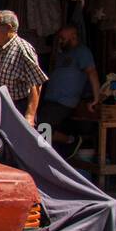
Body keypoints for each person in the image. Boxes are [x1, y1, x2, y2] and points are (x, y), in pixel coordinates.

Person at [39, 25, 102, 157]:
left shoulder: (82, 52)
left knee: (42, 129)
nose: (60, 41)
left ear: (73, 36)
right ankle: (69, 141)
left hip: (64, 101)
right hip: (50, 99)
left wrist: (97, 98)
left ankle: (66, 144)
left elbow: (92, 73)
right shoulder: (63, 54)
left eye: (63, 38)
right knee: (39, 127)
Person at [0, 9, 47, 127]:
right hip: (1, 110)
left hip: (17, 109)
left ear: (9, 27)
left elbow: (36, 83)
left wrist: (30, 115)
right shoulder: (2, 49)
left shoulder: (22, 49)